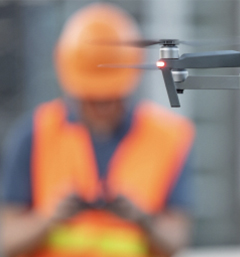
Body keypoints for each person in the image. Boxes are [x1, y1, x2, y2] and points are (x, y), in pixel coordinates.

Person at [0, 3, 195, 257]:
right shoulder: (34, 134)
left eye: (110, 98)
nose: (101, 107)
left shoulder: (169, 137)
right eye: (90, 98)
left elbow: (176, 239)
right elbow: (6, 240)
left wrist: (143, 219)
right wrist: (49, 218)